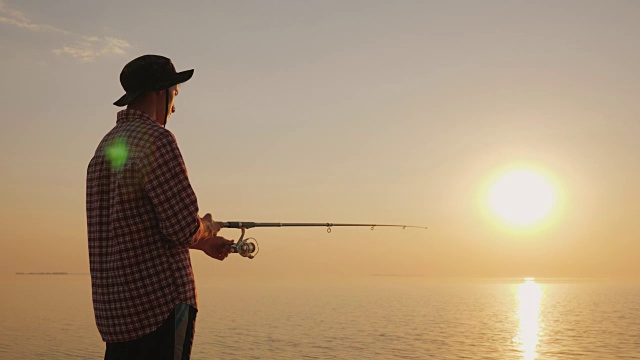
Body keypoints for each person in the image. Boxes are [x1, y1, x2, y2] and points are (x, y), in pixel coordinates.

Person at [86, 54, 233, 359]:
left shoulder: (105, 150)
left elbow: (131, 229)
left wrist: (202, 244)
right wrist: (205, 227)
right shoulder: (157, 139)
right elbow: (182, 228)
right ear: (159, 92)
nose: (174, 106)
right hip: (159, 308)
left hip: (117, 314)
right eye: (175, 94)